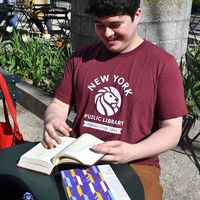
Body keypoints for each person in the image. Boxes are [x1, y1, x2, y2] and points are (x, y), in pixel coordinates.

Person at [43, 0, 188, 199]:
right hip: (79, 158)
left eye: (115, 25)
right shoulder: (81, 58)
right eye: (100, 25)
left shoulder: (162, 64)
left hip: (136, 163)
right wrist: (52, 119)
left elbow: (172, 130)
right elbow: (59, 104)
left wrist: (132, 151)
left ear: (137, 15)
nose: (107, 34)